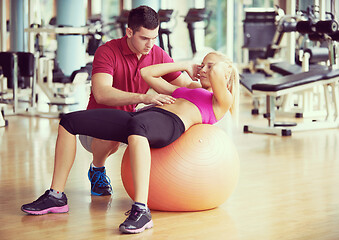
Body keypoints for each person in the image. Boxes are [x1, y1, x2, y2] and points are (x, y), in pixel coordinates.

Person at [21, 51, 240, 234]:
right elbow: (147, 73)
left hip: (169, 123)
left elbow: (220, 76)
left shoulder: (221, 101)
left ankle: (141, 210)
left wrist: (220, 67)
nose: (202, 69)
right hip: (140, 117)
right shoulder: (188, 89)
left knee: (138, 128)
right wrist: (184, 65)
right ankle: (56, 196)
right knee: (69, 121)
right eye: (202, 64)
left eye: (208, 66)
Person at [82, 5, 194, 196]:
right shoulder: (107, 51)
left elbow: (184, 85)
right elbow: (101, 93)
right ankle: (97, 169)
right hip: (95, 129)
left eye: (154, 38)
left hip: (131, 124)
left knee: (167, 115)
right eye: (144, 38)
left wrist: (212, 86)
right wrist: (144, 97)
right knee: (112, 135)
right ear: (129, 32)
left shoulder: (157, 53)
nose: (150, 45)